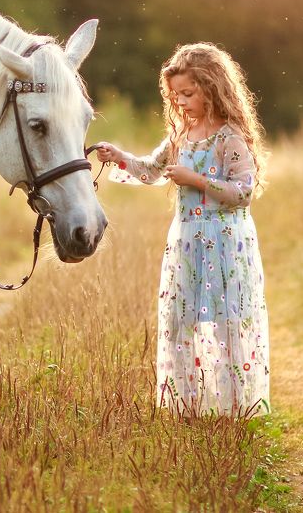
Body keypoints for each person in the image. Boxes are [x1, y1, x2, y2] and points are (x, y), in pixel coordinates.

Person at [96, 42, 270, 416]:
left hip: (226, 245)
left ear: (211, 87)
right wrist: (119, 157)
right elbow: (151, 169)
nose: (181, 103)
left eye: (188, 94)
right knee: (182, 320)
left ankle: (233, 408)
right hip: (188, 243)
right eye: (175, 97)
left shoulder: (229, 138)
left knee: (226, 322)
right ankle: (189, 405)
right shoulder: (180, 136)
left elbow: (243, 193)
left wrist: (197, 180)